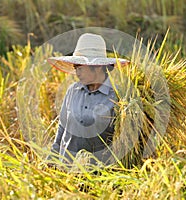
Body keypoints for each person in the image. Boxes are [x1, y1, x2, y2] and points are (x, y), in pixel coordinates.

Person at [46, 33, 129, 166]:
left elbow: (124, 139)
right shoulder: (73, 91)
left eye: (80, 67)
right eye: (75, 67)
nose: (77, 73)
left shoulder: (118, 96)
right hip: (67, 171)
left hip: (100, 174)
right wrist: (52, 158)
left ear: (97, 67)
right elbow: (62, 127)